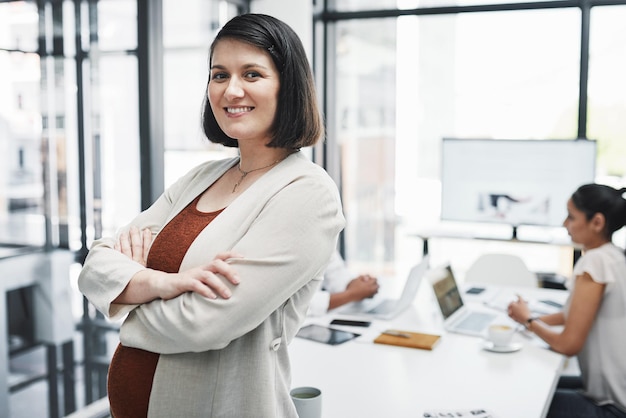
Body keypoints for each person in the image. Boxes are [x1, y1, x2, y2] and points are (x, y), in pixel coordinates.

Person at [78, 13, 345, 418]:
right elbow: (97, 261)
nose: (231, 90)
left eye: (251, 74)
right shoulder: (202, 177)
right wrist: (161, 283)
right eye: (219, 75)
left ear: (288, 87)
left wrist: (125, 301)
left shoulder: (308, 194)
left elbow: (203, 324)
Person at [508, 183, 626, 418]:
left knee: (520, 397)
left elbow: (568, 345)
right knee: (541, 383)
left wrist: (529, 321)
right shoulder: (614, 256)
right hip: (613, 395)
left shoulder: (595, 262)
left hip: (611, 409)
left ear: (597, 222)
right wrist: (528, 319)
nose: (565, 224)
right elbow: (574, 315)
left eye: (571, 217)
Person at [307, 250, 380, 316]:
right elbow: (302, 303)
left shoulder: (323, 239)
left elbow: (336, 273)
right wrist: (352, 294)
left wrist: (361, 284)